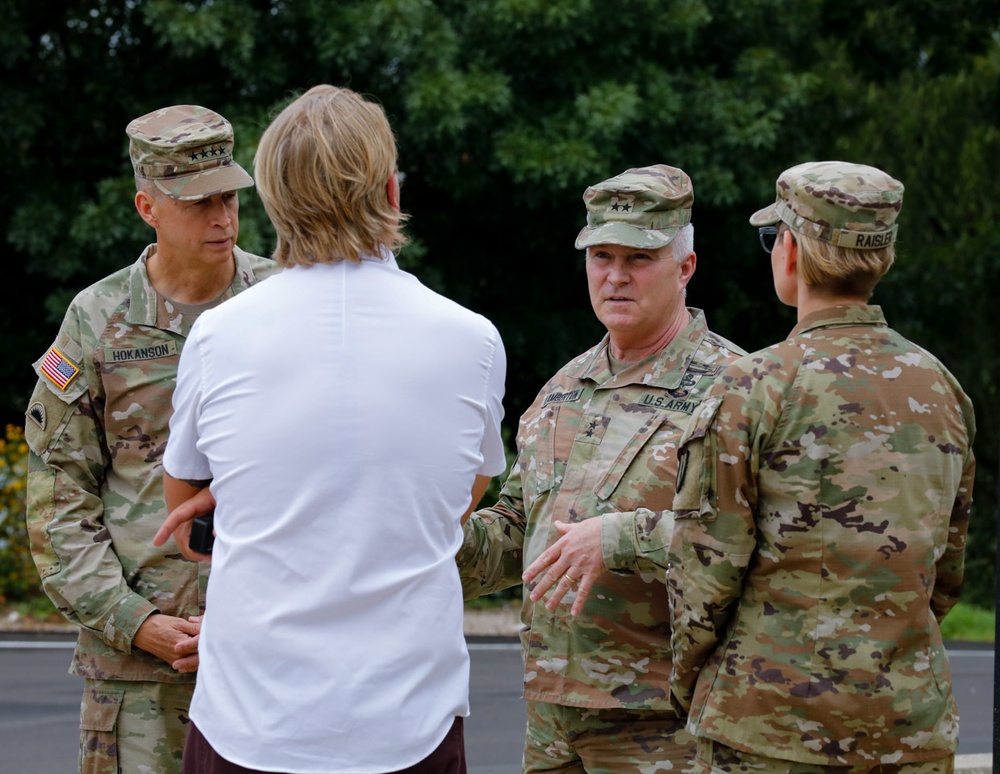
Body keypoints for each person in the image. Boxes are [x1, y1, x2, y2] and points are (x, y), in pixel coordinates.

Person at [153, 84, 507, 774]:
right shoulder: (472, 339)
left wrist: (268, 492)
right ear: (390, 191)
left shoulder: (219, 336)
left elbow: (187, 518)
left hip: (250, 723)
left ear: (271, 198)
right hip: (408, 723)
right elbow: (457, 502)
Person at [666, 161, 976, 773]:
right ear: (880, 258)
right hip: (908, 729)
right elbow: (944, 573)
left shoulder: (753, 386)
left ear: (791, 250)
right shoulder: (942, 388)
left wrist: (691, 684)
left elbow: (706, 572)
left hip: (770, 731)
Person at [457, 165, 745, 773]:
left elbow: (765, 546)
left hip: (667, 723)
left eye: (638, 258)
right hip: (552, 715)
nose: (615, 276)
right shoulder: (565, 387)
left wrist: (623, 537)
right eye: (601, 256)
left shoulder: (737, 389)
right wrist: (439, 535)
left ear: (685, 267)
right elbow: (517, 532)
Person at [23, 105, 278, 773]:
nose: (222, 217)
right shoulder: (99, 320)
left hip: (272, 652)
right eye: (198, 202)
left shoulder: (283, 305)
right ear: (148, 207)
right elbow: (58, 503)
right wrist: (138, 622)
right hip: (136, 670)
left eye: (229, 196)